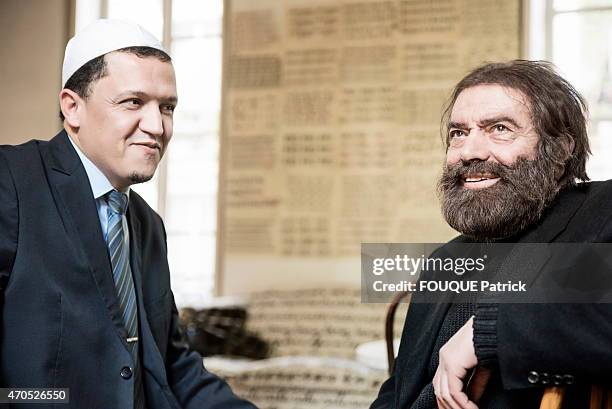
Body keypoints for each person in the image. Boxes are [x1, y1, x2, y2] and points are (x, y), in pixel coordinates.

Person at [0, 19, 257, 409]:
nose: (157, 126)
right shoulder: (11, 182)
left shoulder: (148, 225)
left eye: (167, 107)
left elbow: (174, 367)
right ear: (72, 107)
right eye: (133, 102)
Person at [371, 60, 612, 409]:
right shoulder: (444, 261)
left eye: (499, 128)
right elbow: (398, 392)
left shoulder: (601, 211)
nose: (470, 152)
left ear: (559, 149)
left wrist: (487, 332)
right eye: (458, 133)